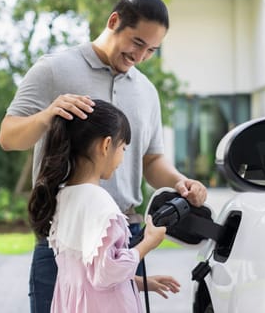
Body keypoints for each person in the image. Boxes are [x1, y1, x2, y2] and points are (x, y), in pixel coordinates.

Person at [0, 0, 207, 312]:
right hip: (64, 235)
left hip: (124, 235)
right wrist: (48, 115)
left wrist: (179, 182)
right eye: (137, 42)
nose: (139, 56)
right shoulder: (53, 69)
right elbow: (9, 137)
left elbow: (151, 160)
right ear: (113, 22)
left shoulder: (147, 92)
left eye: (151, 50)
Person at [29, 99, 180, 312]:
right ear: (106, 145)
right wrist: (148, 243)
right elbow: (106, 273)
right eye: (123, 149)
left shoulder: (64, 196)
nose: (121, 159)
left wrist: (137, 282)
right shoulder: (101, 204)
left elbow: (87, 275)